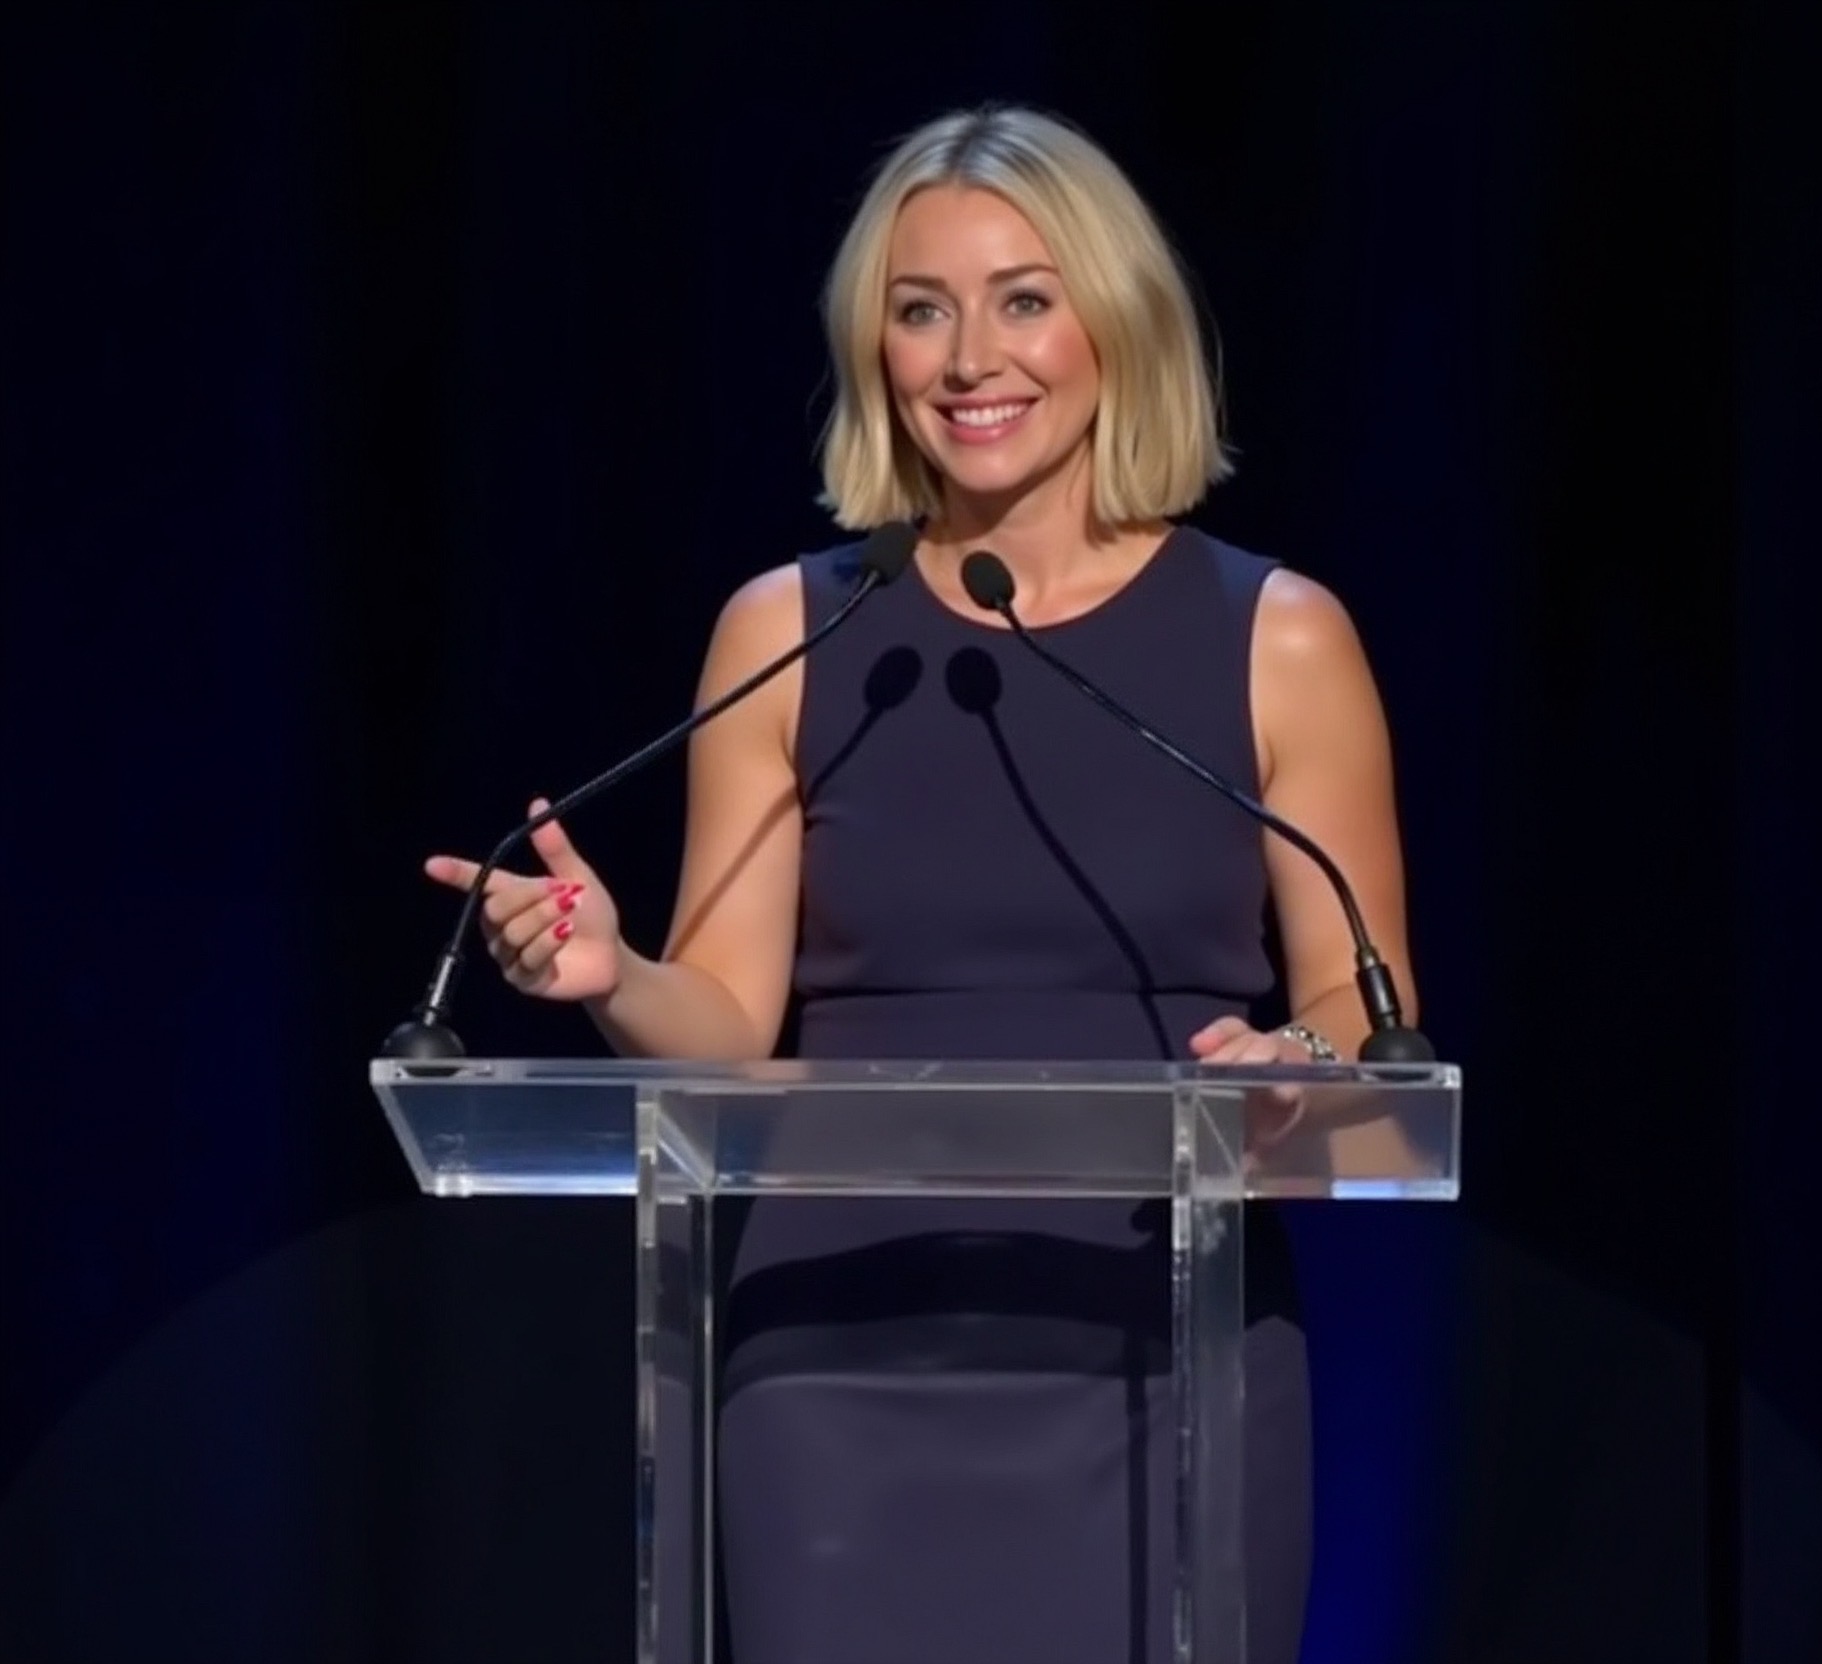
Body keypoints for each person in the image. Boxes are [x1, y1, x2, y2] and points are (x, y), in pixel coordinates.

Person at [428, 103, 1415, 1664]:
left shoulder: (1280, 637)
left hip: (1156, 1339)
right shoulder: (789, 631)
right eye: (920, 309)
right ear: (872, 350)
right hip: (839, 1358)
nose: (971, 357)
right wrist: (611, 973)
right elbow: (727, 1027)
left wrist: (1298, 1074)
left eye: (1025, 297)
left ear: (1116, 323)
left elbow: (1369, 1025)